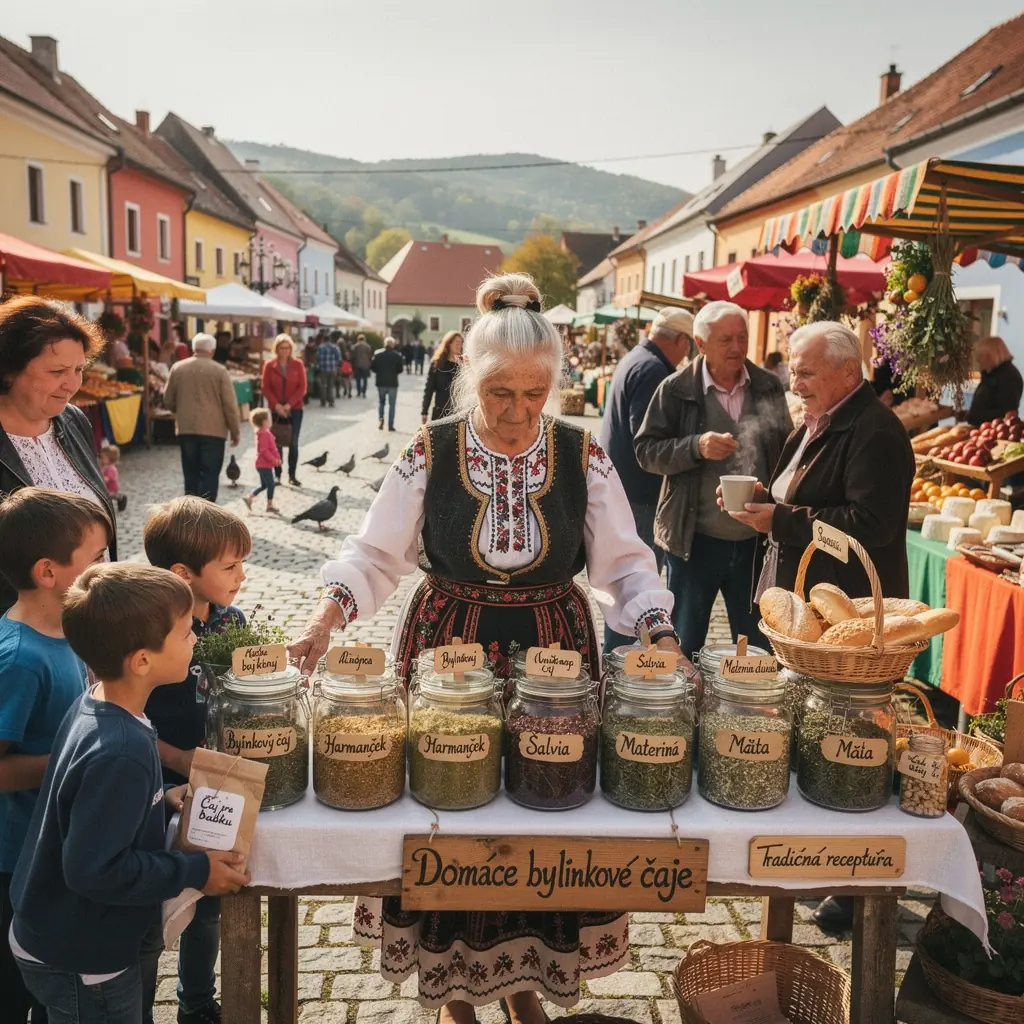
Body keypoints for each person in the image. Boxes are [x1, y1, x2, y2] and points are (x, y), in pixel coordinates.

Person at [289, 273, 682, 1024]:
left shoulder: (582, 454)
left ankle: (524, 982)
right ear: (470, 377)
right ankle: (456, 993)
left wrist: (661, 633)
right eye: (500, 391)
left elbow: (628, 566)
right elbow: (374, 557)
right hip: (449, 648)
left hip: (552, 653)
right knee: (452, 805)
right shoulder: (429, 451)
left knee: (543, 805)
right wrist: (320, 625)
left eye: (534, 394)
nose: (516, 412)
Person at [724, 320, 915, 934]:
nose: (793, 381)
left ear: (848, 372)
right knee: (811, 736)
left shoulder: (876, 431)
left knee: (852, 744)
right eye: (792, 369)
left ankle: (855, 885)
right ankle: (811, 856)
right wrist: (767, 499)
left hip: (850, 619)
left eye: (805, 371)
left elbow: (870, 525)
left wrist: (781, 520)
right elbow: (806, 495)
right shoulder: (821, 419)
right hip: (807, 607)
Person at [9, 563, 249, 1024]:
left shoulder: (98, 702)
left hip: (55, 933)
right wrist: (196, 869)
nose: (195, 639)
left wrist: (163, 794)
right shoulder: (121, 750)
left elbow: (89, 801)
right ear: (142, 660)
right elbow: (94, 870)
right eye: (184, 634)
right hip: (84, 956)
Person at [0, 489, 112, 1024]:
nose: (105, 570)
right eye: (95, 560)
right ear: (49, 571)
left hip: (50, 848)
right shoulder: (20, 660)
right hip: (15, 862)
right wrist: (71, 759)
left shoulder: (68, 631)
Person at [143, 498, 250, 1024]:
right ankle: (137, 997)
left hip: (217, 785)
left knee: (208, 902)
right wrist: (178, 758)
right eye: (229, 567)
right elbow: (127, 716)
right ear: (182, 574)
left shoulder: (236, 622)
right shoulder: (150, 631)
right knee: (149, 898)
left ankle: (196, 1003)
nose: (241, 576)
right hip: (160, 784)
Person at [635, 301, 791, 660]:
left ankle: (750, 710)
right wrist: (695, 446)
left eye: (742, 338)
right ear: (701, 344)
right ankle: (684, 710)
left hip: (755, 545)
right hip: (695, 541)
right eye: (725, 340)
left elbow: (785, 453)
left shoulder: (767, 386)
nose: (737, 348)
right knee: (684, 643)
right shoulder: (675, 389)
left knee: (757, 645)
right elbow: (646, 451)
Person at [0, 296, 118, 613]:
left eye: (78, 369)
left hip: (92, 619)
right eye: (57, 371)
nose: (71, 384)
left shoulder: (74, 420)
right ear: (9, 370)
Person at [600, 307, 695, 650]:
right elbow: (646, 439)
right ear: (681, 340)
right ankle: (622, 662)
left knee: (625, 581)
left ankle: (619, 657)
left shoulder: (637, 358)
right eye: (690, 345)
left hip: (624, 489)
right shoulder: (654, 370)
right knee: (634, 584)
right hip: (638, 494)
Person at [163, 333, 241, 503]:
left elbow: (168, 399)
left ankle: (190, 511)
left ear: (193, 349)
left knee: (190, 472)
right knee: (210, 473)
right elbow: (230, 405)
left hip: (186, 429)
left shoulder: (178, 368)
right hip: (214, 431)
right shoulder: (220, 371)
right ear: (212, 351)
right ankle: (207, 511)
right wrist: (235, 431)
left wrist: (181, 409)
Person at [260, 333, 307, 488]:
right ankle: (278, 474)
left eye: (287, 348)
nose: (285, 351)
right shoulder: (269, 365)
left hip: (295, 409)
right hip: (275, 410)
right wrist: (277, 406)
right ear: (277, 349)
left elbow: (302, 387)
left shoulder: (298, 364)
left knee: (293, 442)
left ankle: (292, 475)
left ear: (291, 349)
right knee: (276, 442)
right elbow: (265, 388)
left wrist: (289, 405)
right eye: (282, 348)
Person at [967, 335, 1023, 426]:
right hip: (980, 429)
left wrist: (973, 416)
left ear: (991, 355)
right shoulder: (990, 374)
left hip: (992, 433)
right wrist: (969, 414)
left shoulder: (1009, 377)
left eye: (980, 355)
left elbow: (1006, 412)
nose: (977, 359)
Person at [244, 409, 282, 514]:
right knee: (271, 484)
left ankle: (249, 498)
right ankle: (269, 505)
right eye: (268, 418)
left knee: (264, 485)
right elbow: (264, 451)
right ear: (264, 421)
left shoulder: (262, 433)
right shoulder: (265, 434)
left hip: (261, 464)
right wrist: (274, 460)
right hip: (264, 465)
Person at [420, 330, 463, 423]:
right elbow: (429, 389)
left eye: (461, 342)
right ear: (449, 344)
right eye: (457, 342)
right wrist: (424, 411)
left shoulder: (463, 365)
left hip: (459, 414)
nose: (459, 345)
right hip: (440, 412)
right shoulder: (437, 364)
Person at [371, 336, 405, 432]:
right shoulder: (397, 355)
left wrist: (379, 371)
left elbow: (373, 367)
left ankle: (381, 418)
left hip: (381, 382)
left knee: (381, 402)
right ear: (393, 344)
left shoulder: (377, 354)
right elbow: (400, 369)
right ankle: (390, 425)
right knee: (392, 405)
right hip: (392, 383)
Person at [315, 333, 342, 408]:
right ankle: (331, 401)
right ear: (330, 339)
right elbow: (339, 358)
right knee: (331, 386)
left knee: (323, 386)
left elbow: (317, 358)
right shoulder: (334, 347)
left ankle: (323, 402)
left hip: (323, 369)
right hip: (332, 369)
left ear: (323, 339)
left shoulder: (320, 347)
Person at [99, 444, 128, 512]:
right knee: (107, 496)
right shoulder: (105, 466)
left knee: (110, 496)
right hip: (107, 487)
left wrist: (102, 478)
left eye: (103, 457)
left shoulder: (112, 468)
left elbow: (109, 478)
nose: (101, 459)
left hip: (112, 487)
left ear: (109, 458)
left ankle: (121, 498)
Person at [351, 333, 373, 398]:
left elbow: (353, 356)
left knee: (358, 380)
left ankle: (358, 392)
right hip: (365, 365)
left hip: (357, 365)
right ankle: (364, 392)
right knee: (365, 380)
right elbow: (370, 356)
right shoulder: (368, 346)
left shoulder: (355, 346)